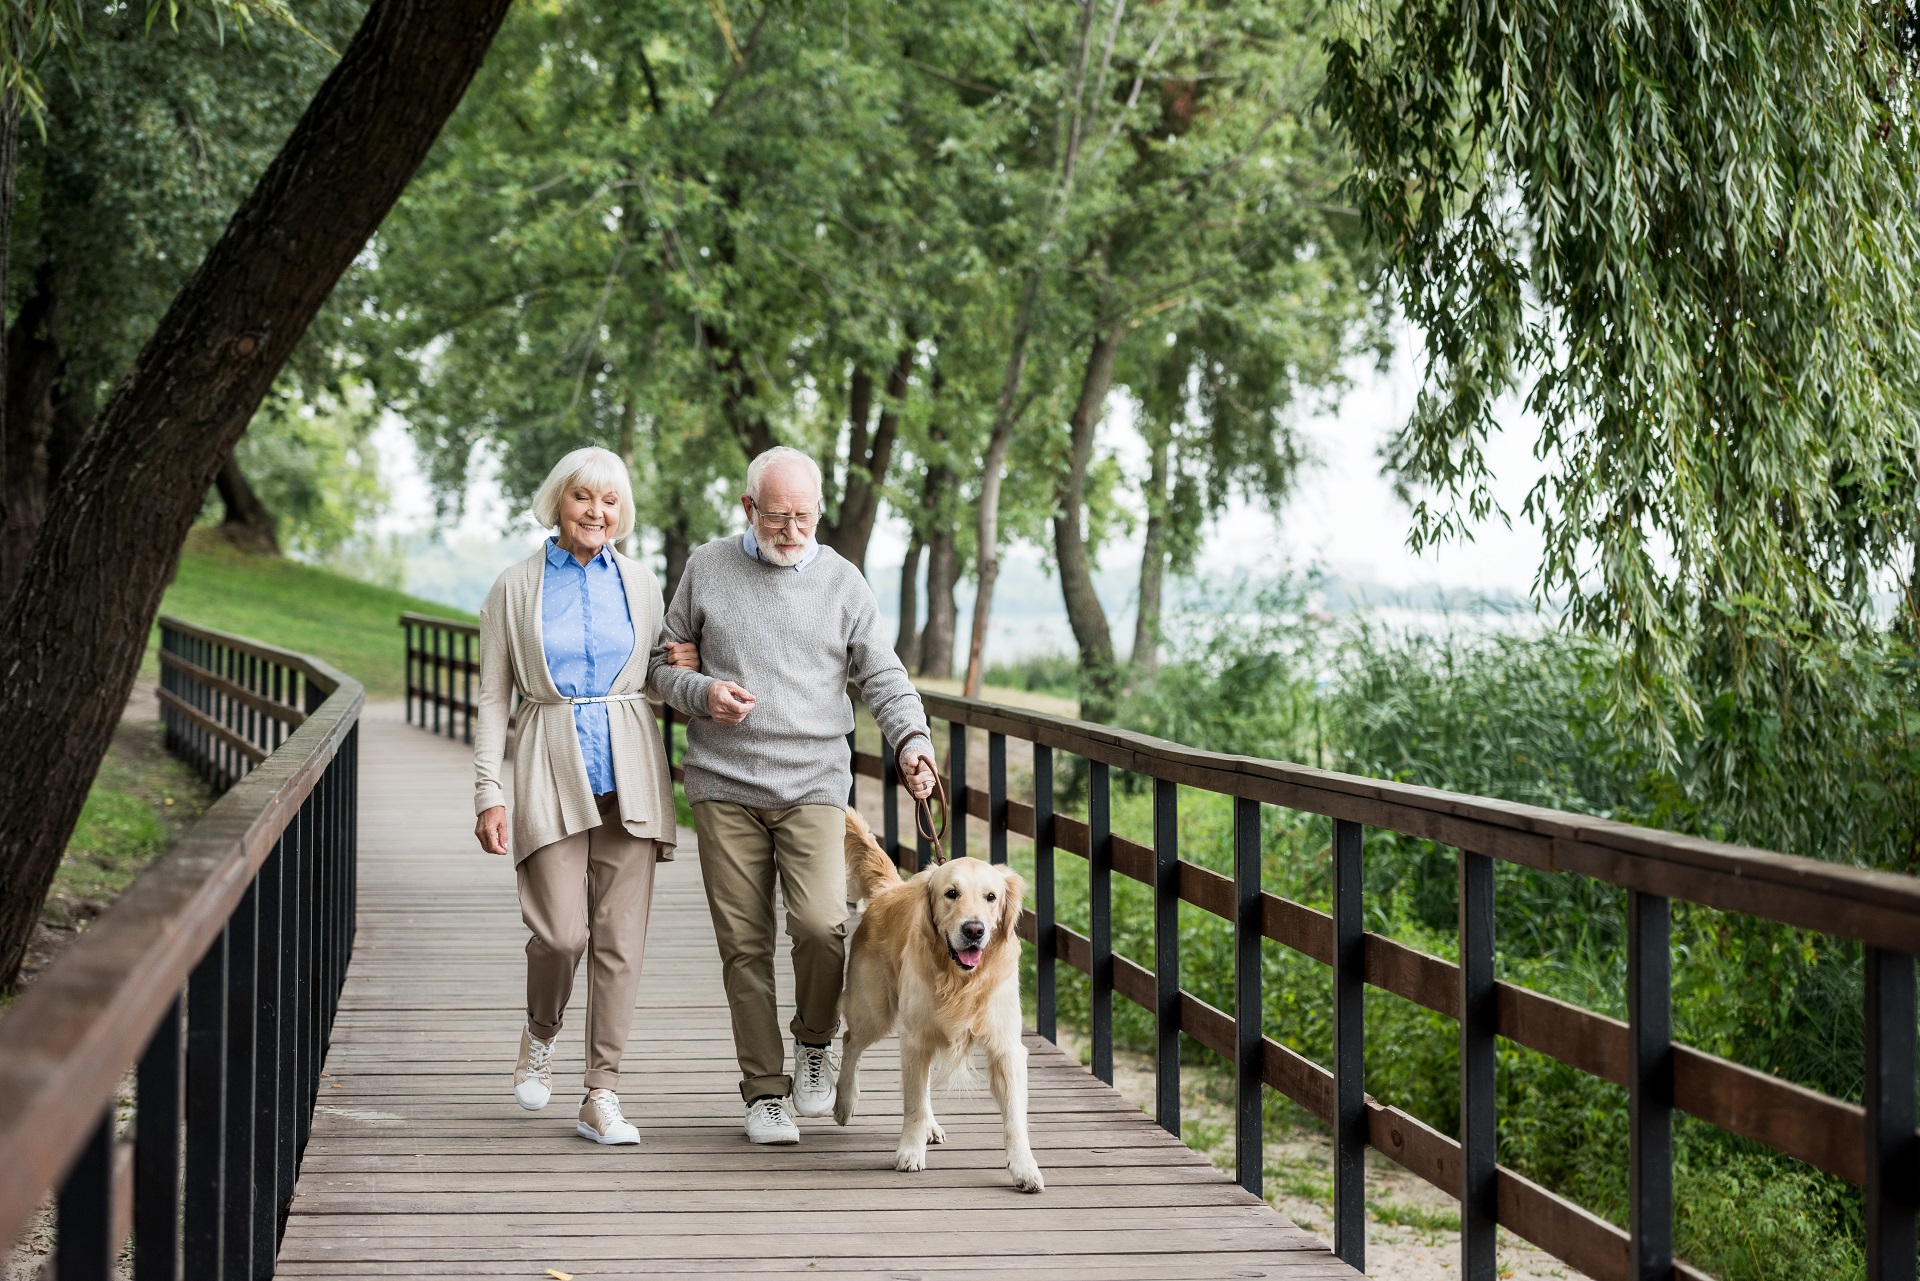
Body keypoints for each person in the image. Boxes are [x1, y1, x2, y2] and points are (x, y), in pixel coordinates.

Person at [648, 445, 938, 1145]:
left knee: (818, 924)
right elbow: (661, 666)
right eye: (777, 517)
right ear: (750, 508)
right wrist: (702, 693)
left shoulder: (842, 581)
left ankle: (815, 1038)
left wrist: (912, 742)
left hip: (813, 783)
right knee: (743, 943)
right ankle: (764, 1092)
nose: (791, 531)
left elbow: (885, 676)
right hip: (724, 784)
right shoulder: (707, 568)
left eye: (803, 517)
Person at [473, 446, 698, 1146]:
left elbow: (658, 670)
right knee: (561, 932)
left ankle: (602, 1091)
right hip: (549, 761)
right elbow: (491, 695)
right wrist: (488, 788)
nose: (597, 512)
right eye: (583, 498)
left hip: (630, 766)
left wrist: (683, 665)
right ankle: (541, 1029)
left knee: (620, 942)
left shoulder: (639, 580)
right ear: (557, 501)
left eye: (609, 501)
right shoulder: (515, 586)